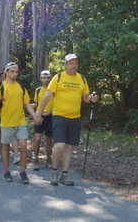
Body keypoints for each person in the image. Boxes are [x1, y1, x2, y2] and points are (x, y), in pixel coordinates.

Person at [37, 54, 99, 186]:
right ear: (65, 65)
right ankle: (54, 171)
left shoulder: (82, 79)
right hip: (59, 116)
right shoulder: (58, 77)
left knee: (69, 148)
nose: (74, 65)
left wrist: (92, 99)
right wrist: (39, 113)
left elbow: (86, 98)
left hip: (75, 118)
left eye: (76, 63)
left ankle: (64, 175)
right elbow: (47, 95)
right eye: (71, 63)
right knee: (59, 145)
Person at [0, 62, 40, 184]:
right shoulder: (1, 87)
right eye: (12, 71)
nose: (14, 74)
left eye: (16, 72)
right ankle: (7, 171)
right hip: (6, 123)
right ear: (6, 72)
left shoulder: (21, 88)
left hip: (20, 122)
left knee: (23, 146)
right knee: (6, 147)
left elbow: (27, 104)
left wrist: (35, 116)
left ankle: (23, 171)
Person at [0, 71, 19, 163]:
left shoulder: (15, 85)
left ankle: (16, 155)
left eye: (4, 75)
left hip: (11, 114)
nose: (3, 77)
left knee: (13, 134)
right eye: (2, 75)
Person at [31, 70, 53, 170]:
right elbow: (36, 103)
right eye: (44, 77)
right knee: (37, 138)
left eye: (48, 77)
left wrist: (50, 111)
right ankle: (35, 159)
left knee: (49, 140)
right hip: (39, 116)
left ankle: (49, 159)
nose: (46, 79)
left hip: (50, 117)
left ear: (51, 78)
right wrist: (26, 106)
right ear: (40, 79)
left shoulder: (54, 90)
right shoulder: (38, 90)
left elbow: (57, 103)